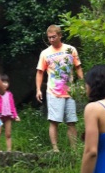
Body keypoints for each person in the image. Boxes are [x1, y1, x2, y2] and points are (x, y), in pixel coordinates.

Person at [35, 24, 83, 152]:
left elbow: (78, 67)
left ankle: (74, 150)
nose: (51, 40)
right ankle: (55, 149)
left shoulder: (70, 49)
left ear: (60, 35)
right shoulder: (45, 53)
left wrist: (82, 83)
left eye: (54, 37)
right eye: (49, 37)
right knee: (54, 121)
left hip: (70, 91)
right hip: (54, 92)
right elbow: (40, 72)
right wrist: (38, 89)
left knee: (71, 121)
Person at [0, 74, 20, 151]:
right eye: (2, 82)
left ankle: (9, 150)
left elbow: (12, 106)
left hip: (8, 116)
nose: (4, 84)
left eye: (6, 82)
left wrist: (15, 115)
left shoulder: (9, 94)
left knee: (8, 134)